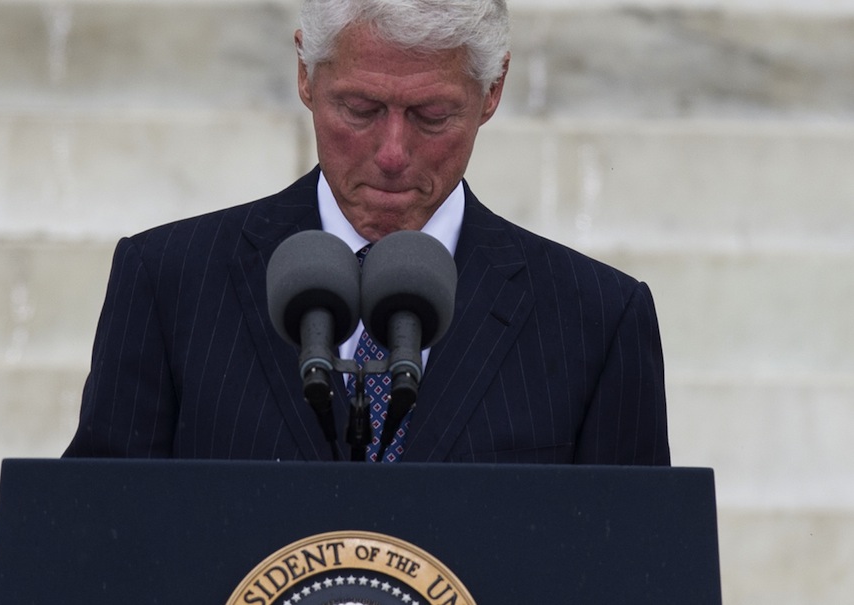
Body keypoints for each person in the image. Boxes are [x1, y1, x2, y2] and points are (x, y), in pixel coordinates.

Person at [64, 0, 670, 465]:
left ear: (493, 91)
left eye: (432, 116)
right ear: (305, 75)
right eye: (360, 109)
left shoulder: (597, 320)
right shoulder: (169, 285)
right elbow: (96, 534)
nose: (392, 153)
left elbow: (636, 559)